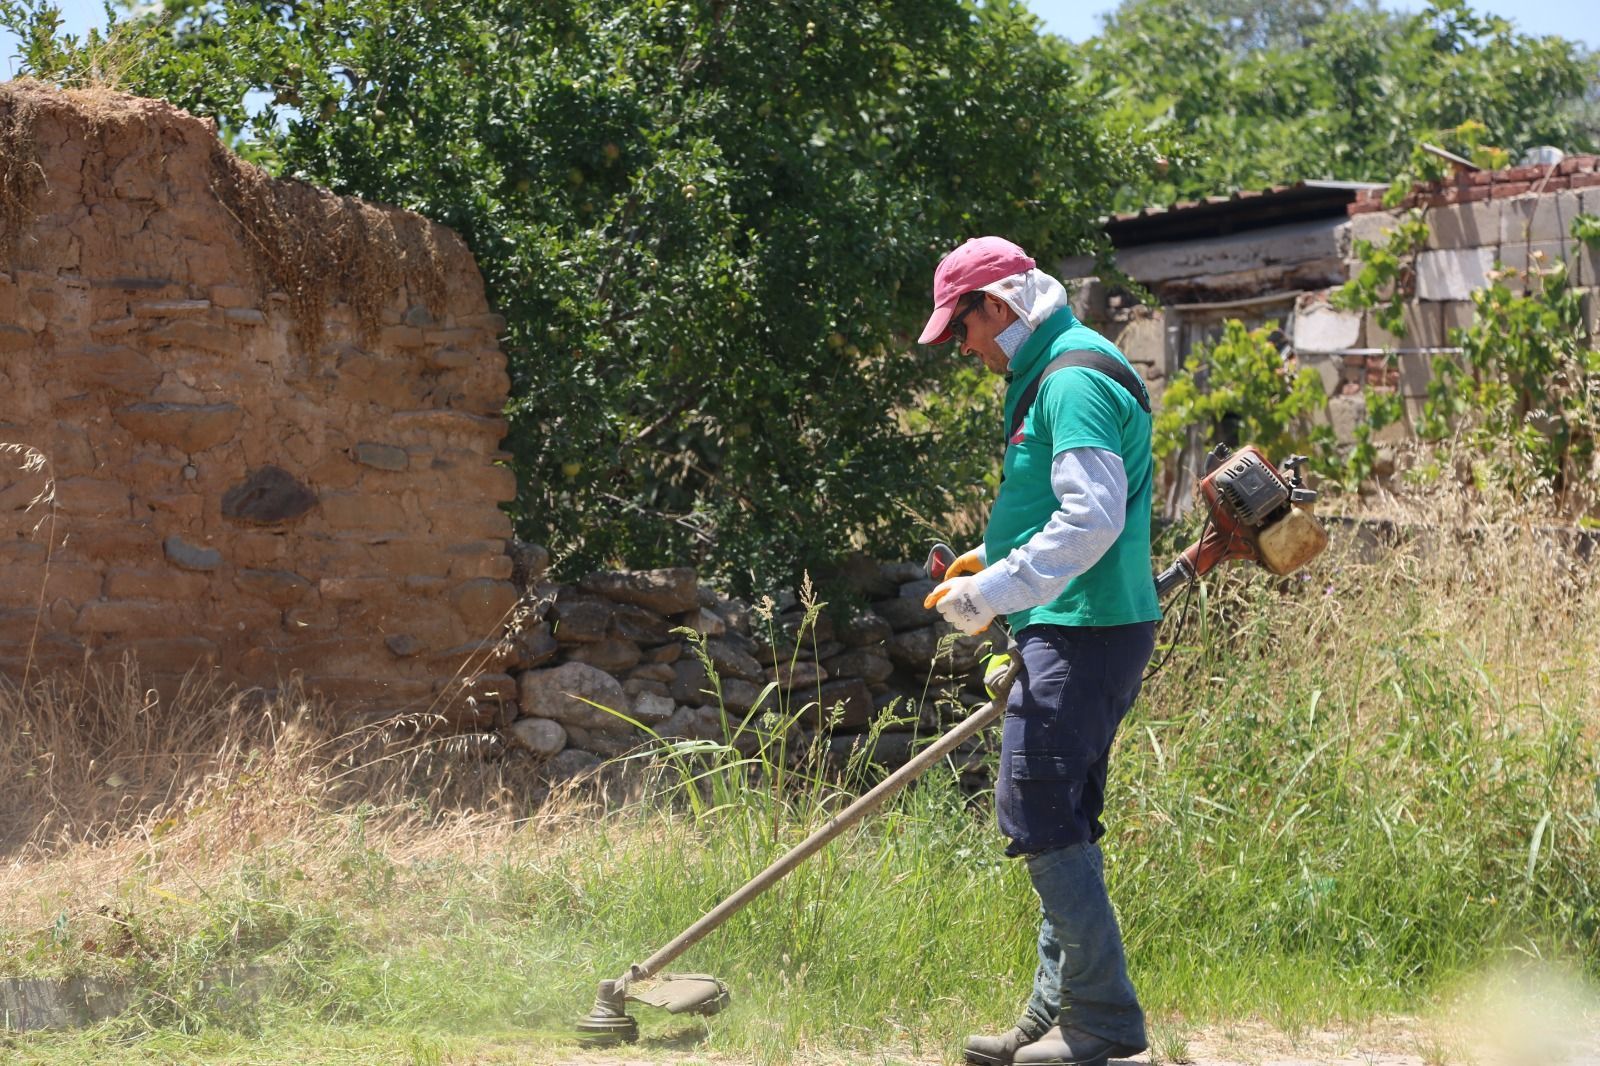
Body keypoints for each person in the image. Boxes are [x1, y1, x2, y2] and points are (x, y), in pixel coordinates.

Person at [918, 236, 1160, 1066]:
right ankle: (1051, 1019)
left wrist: (989, 597)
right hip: (1078, 622)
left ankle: (1102, 1028)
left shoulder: (1071, 379)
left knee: (1038, 811)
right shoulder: (1054, 366)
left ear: (1000, 304)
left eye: (965, 327)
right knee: (1065, 819)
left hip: (1083, 625)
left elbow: (1092, 519)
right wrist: (997, 558)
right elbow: (1064, 509)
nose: (965, 347)